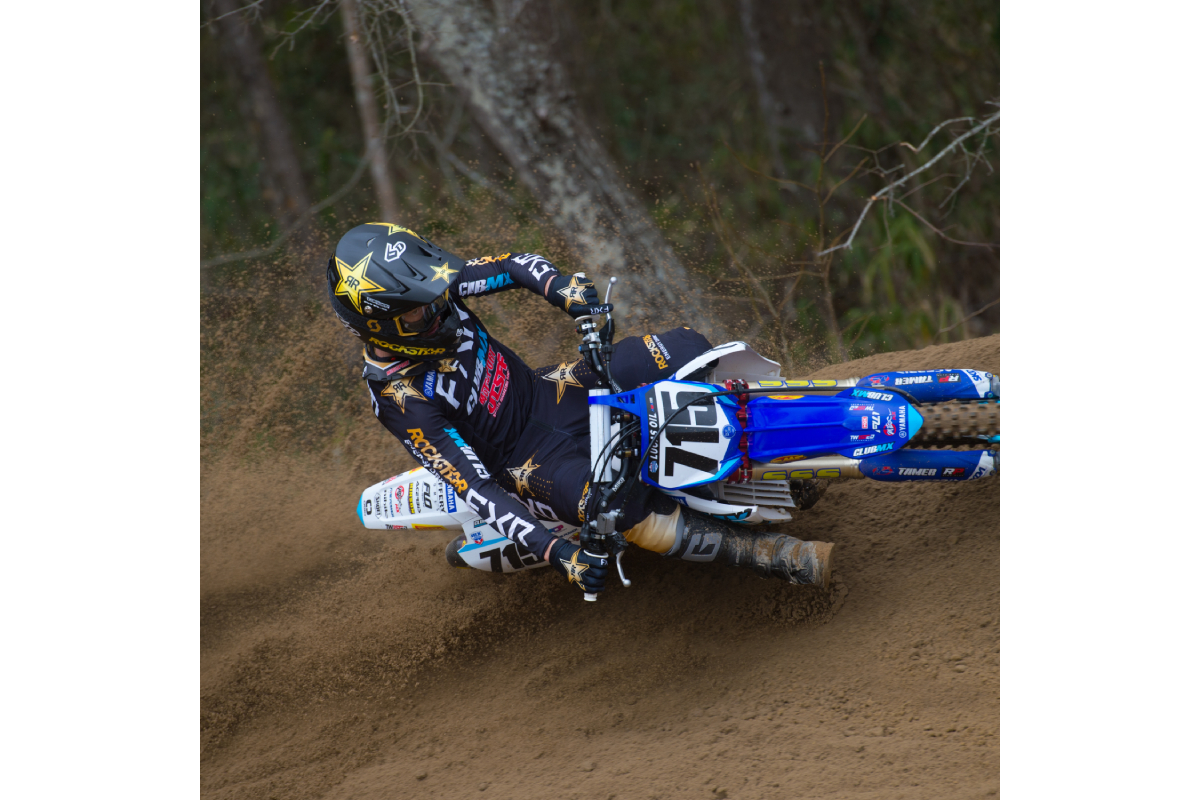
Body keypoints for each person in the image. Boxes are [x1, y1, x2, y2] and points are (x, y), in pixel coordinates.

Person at [327, 222, 833, 596]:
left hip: (554, 390)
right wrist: (560, 554)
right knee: (615, 507)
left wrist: (569, 295)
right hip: (526, 464)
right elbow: (477, 489)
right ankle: (768, 555)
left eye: (437, 295)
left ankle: (785, 441)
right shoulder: (398, 398)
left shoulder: (433, 289)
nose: (440, 308)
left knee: (685, 348)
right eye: (421, 310)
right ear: (380, 325)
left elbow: (512, 266)